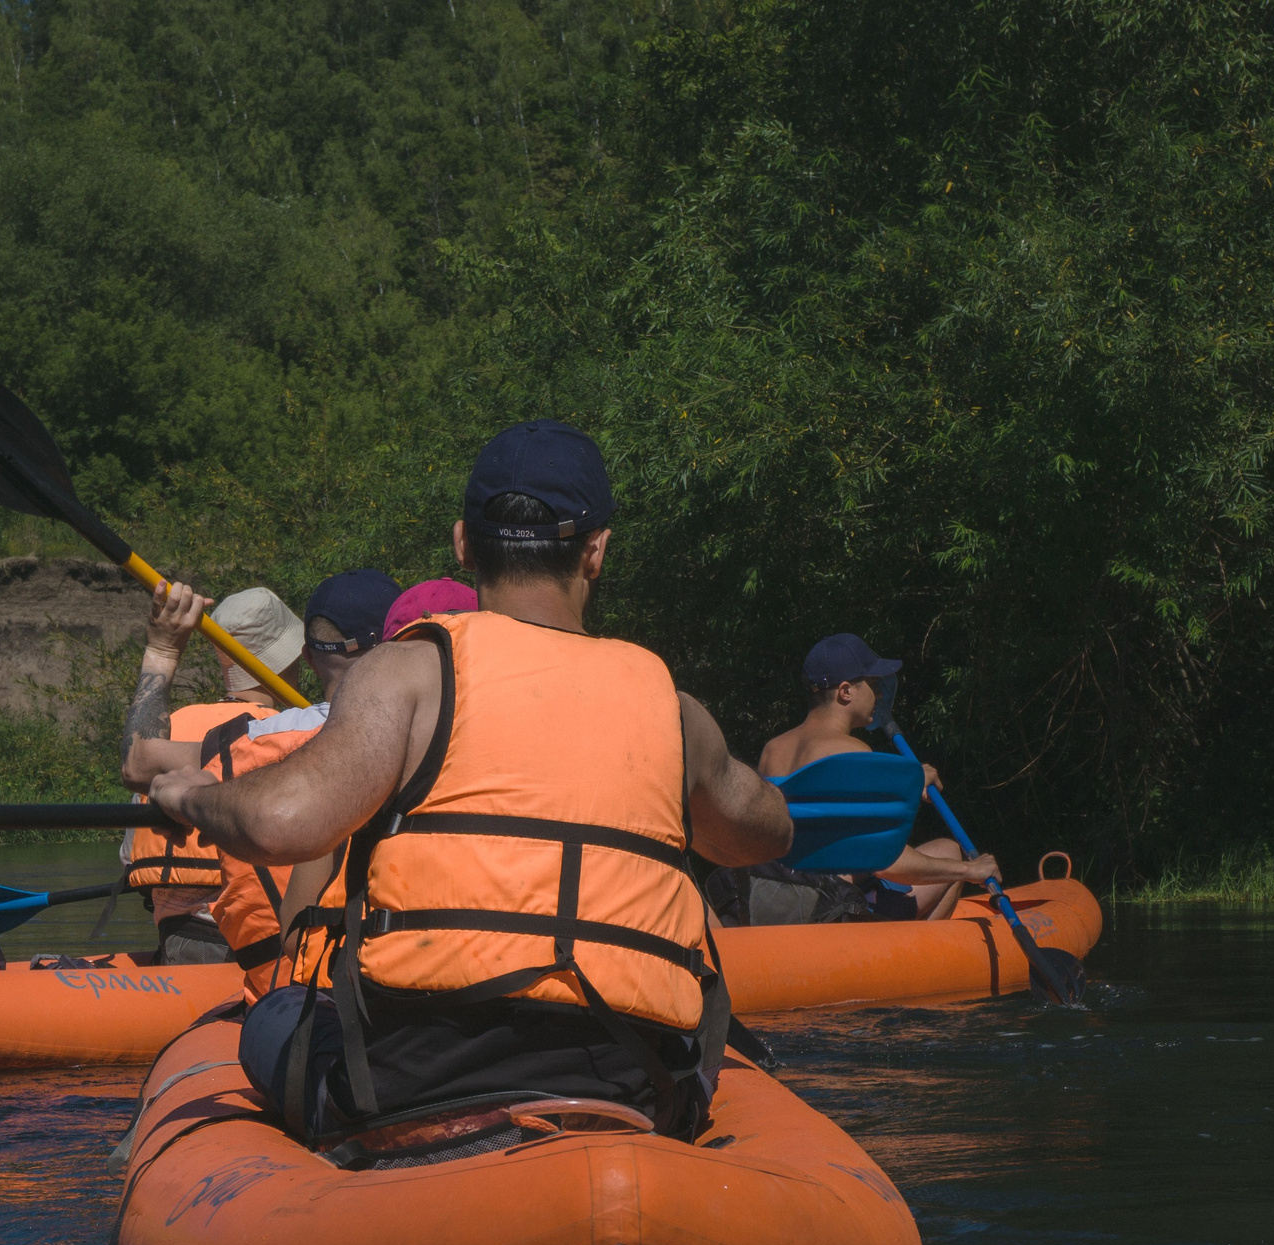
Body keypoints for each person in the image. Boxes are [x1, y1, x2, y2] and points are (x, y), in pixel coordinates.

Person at [147, 419, 792, 1141]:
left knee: (267, 1019)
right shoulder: (674, 711)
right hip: (628, 1075)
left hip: (420, 1077)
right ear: (597, 551)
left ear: (462, 544)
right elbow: (761, 831)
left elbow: (281, 821)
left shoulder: (408, 673)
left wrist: (190, 797)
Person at [124, 569, 403, 997]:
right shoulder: (425, 731)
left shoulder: (249, 736)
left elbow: (136, 759)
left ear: (310, 657)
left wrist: (162, 651)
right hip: (340, 964)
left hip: (204, 941)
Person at [725, 633, 1000, 923]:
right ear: (846, 691)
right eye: (872, 684)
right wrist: (971, 871)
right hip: (832, 905)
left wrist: (908, 781)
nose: (880, 694)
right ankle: (907, 960)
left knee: (947, 847)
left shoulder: (773, 749)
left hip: (779, 894)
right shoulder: (851, 751)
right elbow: (884, 862)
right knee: (955, 859)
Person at [118, 583, 310, 963]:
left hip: (176, 936)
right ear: (292, 658)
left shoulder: (169, 729)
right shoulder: (288, 732)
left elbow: (128, 857)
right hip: (258, 943)